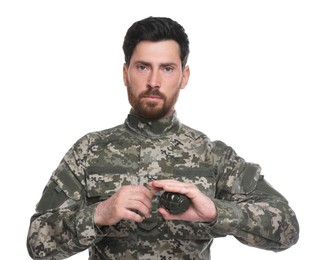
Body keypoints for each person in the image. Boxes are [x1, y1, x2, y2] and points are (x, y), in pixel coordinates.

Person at [27, 16, 299, 259]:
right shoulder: (88, 151)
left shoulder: (213, 156)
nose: (154, 81)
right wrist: (99, 214)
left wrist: (216, 212)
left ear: (184, 76)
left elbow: (287, 228)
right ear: (125, 73)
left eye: (167, 68)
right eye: (143, 67)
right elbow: (37, 241)